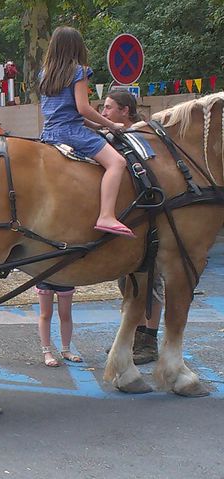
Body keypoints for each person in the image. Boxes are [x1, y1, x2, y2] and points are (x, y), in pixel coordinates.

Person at [39, 26, 134, 238]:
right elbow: (83, 108)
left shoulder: (44, 74)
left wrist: (97, 125)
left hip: (49, 132)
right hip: (71, 132)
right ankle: (106, 215)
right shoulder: (79, 71)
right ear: (77, 47)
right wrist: (110, 125)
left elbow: (64, 112)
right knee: (117, 163)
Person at [101, 91, 161, 364]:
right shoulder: (113, 136)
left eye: (108, 107)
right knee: (129, 286)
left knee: (151, 287)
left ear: (125, 111)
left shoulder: (138, 137)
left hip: (148, 227)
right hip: (128, 226)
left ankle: (148, 341)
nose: (104, 112)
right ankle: (131, 339)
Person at [36, 282, 82, 367]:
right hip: (45, 276)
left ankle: (66, 350)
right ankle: (47, 352)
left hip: (64, 279)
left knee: (65, 315)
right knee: (45, 314)